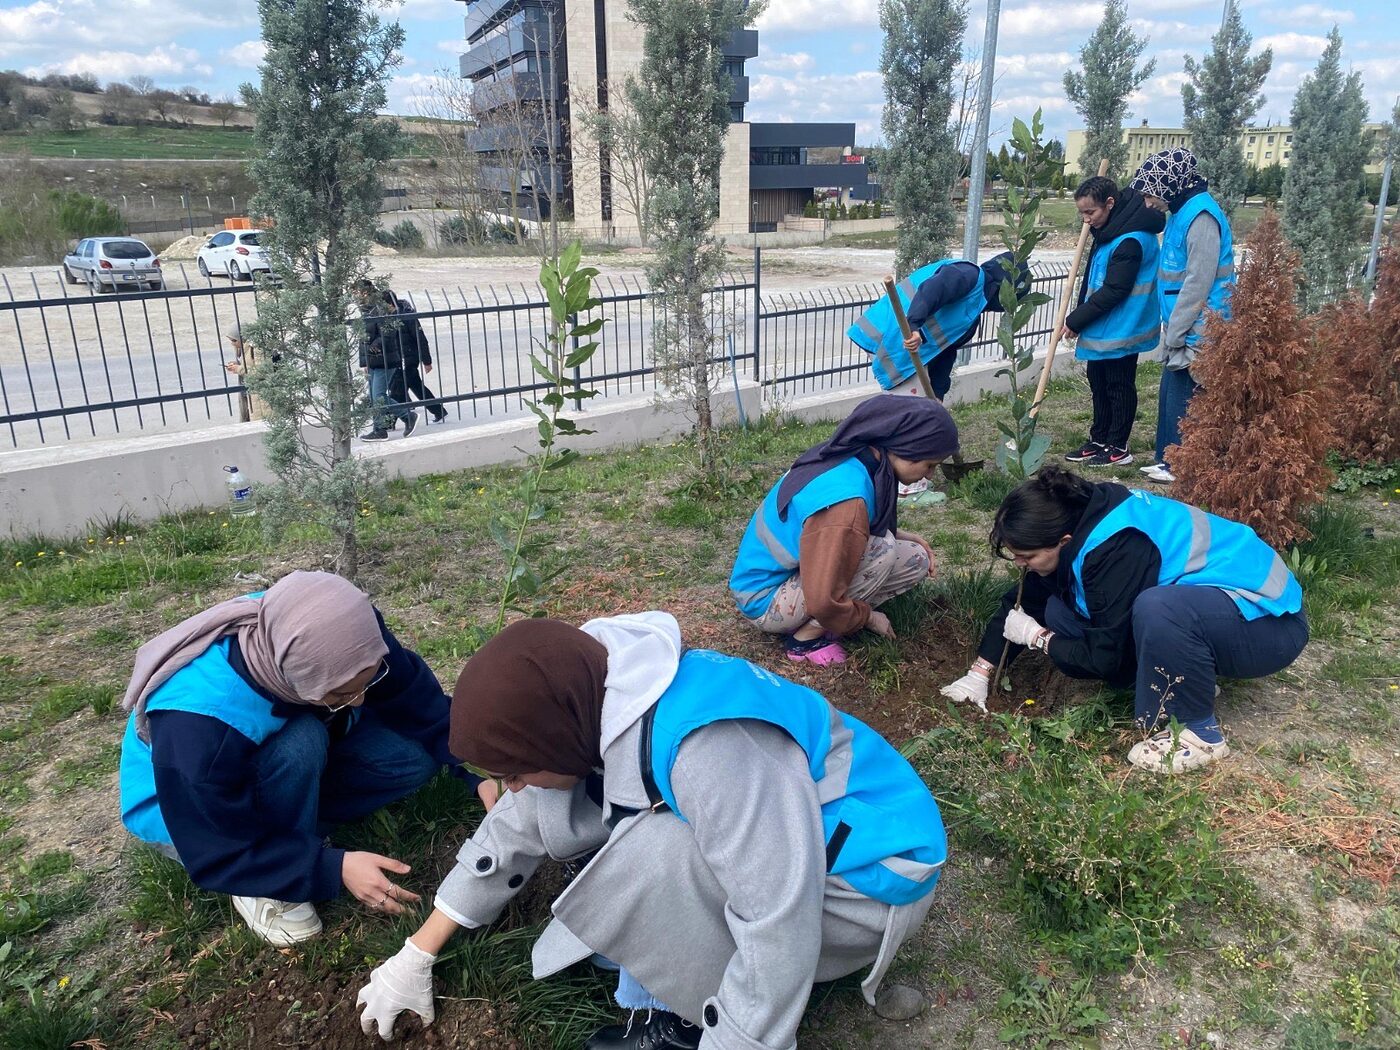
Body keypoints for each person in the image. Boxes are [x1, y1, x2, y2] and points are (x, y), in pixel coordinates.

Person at [355, 612, 947, 1049]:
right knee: (622, 852)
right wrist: (417, 953)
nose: (511, 787)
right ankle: (660, 986)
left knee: (654, 849)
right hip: (802, 847)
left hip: (864, 888)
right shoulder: (591, 691)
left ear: (552, 735)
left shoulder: (708, 748)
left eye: (513, 771)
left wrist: (740, 1038)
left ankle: (677, 1025)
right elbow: (518, 825)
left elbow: (777, 912)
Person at [118, 571, 496, 946]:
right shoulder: (197, 729)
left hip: (266, 754)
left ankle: (295, 821)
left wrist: (477, 767)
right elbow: (214, 848)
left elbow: (410, 697)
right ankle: (266, 886)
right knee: (302, 740)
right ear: (294, 677)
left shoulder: (338, 625)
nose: (362, 699)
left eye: (365, 682)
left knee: (412, 758)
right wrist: (332, 867)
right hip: (195, 817)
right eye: (344, 691)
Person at [938, 467, 1308, 772]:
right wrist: (979, 674)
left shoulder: (1116, 548)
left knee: (1158, 608)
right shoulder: (1076, 516)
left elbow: (1106, 657)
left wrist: (1039, 639)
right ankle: (1191, 675)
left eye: (1027, 556)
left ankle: (1196, 733)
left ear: (1063, 541)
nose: (1020, 565)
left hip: (1266, 624)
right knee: (1056, 608)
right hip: (1215, 613)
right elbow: (1022, 602)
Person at [728, 394, 960, 665]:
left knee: (914, 558)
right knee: (882, 549)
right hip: (764, 600)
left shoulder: (856, 457)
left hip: (789, 573)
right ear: (903, 448)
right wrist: (868, 617)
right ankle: (806, 639)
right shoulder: (846, 503)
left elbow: (839, 531)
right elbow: (822, 597)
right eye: (929, 465)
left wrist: (903, 535)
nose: (930, 475)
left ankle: (819, 619)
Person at [1129, 148, 1236, 484]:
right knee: (1171, 389)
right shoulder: (1181, 210)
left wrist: (1176, 330)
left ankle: (1182, 464)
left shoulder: (1201, 216)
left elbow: (1198, 281)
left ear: (1168, 185)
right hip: (1185, 323)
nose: (1148, 203)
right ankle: (1166, 457)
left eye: (1149, 194)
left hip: (1202, 325)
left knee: (1188, 394)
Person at [1060, 176, 1165, 468]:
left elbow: (1115, 289)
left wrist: (1076, 319)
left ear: (1110, 204)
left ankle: (1118, 446)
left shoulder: (1130, 239)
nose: (1086, 220)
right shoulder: (1111, 230)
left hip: (1125, 326)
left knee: (1118, 386)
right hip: (1107, 326)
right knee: (1098, 382)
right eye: (1082, 213)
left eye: (1090, 212)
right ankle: (1099, 439)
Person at [849, 252, 1032, 398]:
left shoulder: (973, 313)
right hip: (889, 333)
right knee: (910, 412)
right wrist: (914, 326)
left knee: (921, 412)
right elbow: (933, 290)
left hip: (903, 344)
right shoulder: (969, 275)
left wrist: (938, 394)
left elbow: (945, 351)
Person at [355, 279, 419, 441]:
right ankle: (379, 429)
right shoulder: (367, 309)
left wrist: (373, 348)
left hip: (385, 360)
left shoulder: (380, 307)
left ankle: (407, 416)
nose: (355, 296)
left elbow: (388, 332)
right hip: (374, 361)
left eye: (357, 292)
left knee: (379, 396)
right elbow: (365, 337)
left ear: (366, 292)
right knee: (374, 397)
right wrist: (366, 362)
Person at [384, 290, 448, 425]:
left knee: (397, 391)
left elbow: (421, 339)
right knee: (416, 386)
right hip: (399, 360)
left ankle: (388, 422)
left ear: (389, 304)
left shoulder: (407, 316)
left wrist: (427, 361)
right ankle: (439, 410)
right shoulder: (389, 317)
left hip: (407, 360)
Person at [223, 323, 267, 422]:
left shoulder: (256, 348)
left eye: (234, 340)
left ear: (243, 338)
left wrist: (239, 369)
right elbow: (248, 364)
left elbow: (262, 371)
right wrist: (237, 365)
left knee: (259, 424)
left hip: (259, 395)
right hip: (247, 392)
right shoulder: (242, 350)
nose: (232, 343)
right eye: (230, 340)